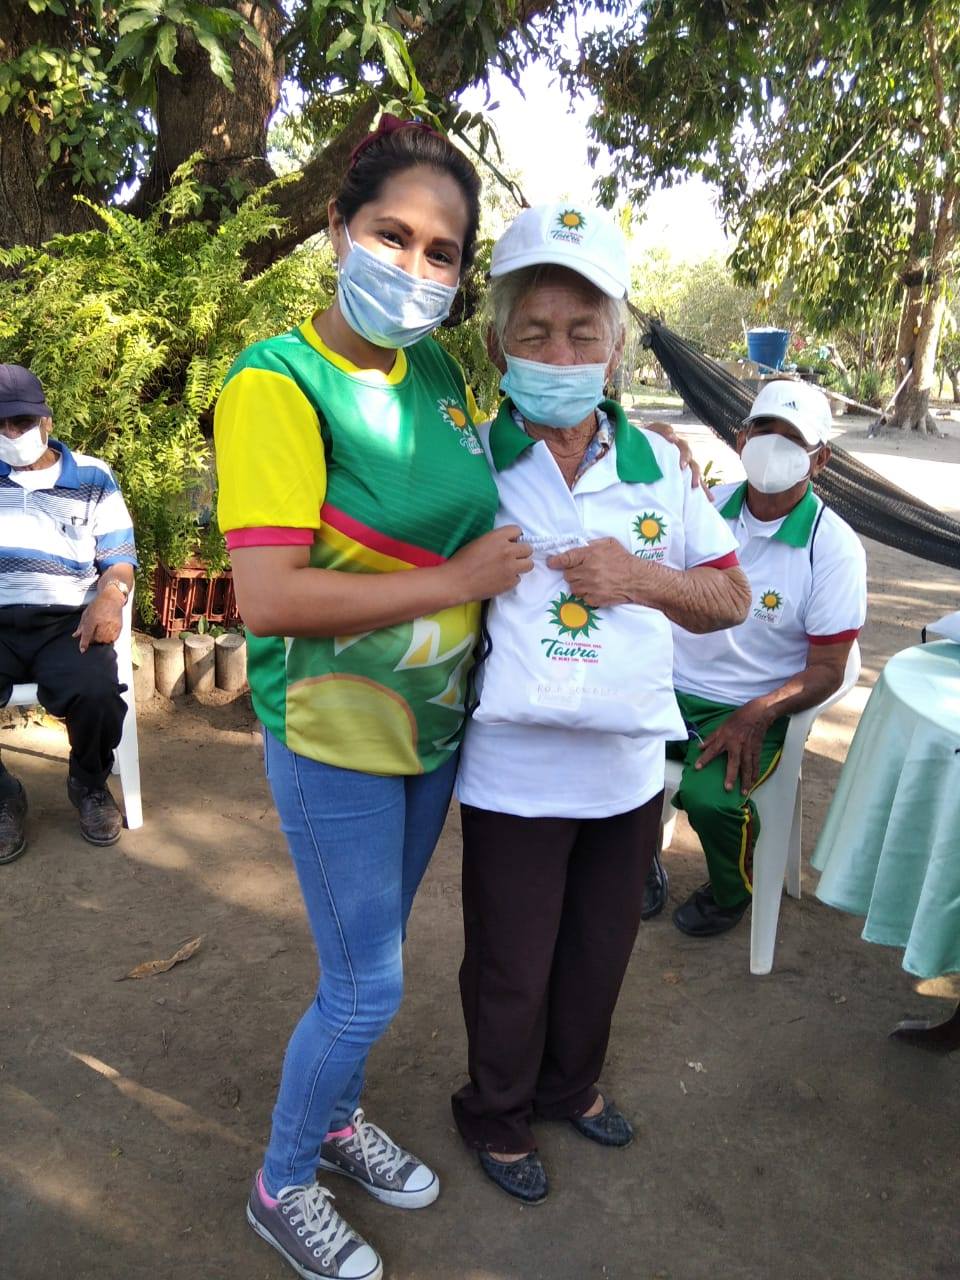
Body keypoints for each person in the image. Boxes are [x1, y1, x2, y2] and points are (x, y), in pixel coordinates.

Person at [214, 117, 532, 1280]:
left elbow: (498, 486)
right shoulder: (276, 383)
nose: (414, 266)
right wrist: (455, 581)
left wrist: (635, 449)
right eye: (391, 234)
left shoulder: (435, 369)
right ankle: (282, 1178)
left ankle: (340, 1119)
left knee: (370, 951)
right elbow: (268, 597)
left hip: (428, 729)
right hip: (331, 730)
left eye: (442, 251)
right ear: (337, 228)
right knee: (367, 981)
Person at [450, 203, 752, 1203]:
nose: (561, 354)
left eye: (584, 333)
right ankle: (496, 1113)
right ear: (497, 345)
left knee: (599, 950)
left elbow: (729, 597)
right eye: (535, 332)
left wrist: (641, 578)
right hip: (513, 772)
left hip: (626, 771)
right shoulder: (469, 461)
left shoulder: (661, 466)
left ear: (617, 349)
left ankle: (571, 1086)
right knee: (512, 961)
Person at [668, 378, 867, 937]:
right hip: (666, 686)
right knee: (597, 758)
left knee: (711, 801)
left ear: (820, 459)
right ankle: (637, 866)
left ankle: (732, 891)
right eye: (763, 429)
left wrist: (758, 712)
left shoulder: (832, 547)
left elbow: (828, 669)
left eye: (793, 438)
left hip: (752, 704)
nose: (773, 445)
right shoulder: (704, 506)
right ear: (740, 438)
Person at [0, 363, 136, 859]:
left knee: (97, 690)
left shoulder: (93, 476)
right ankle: (3, 796)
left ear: (46, 422)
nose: (10, 435)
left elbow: (119, 558)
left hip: (67, 622)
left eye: (20, 422)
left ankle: (89, 784)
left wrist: (110, 597)